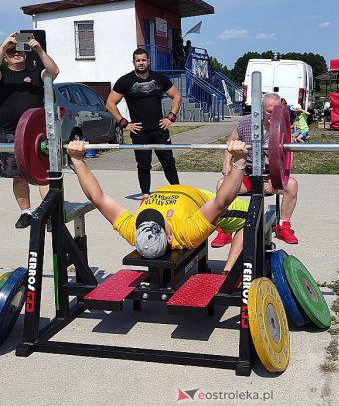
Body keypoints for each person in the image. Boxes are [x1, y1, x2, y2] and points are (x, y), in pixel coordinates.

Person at [67, 139, 249, 272]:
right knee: (251, 218)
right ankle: (229, 272)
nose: (151, 214)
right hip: (201, 199)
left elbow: (98, 198)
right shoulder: (187, 233)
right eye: (158, 223)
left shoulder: (135, 230)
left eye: (144, 221)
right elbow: (222, 201)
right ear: (170, 238)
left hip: (180, 193)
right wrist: (239, 161)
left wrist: (77, 160)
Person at [211, 93, 299, 247]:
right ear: (260, 109)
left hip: (272, 175)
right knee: (221, 185)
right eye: (269, 111)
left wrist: (274, 180)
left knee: (292, 185)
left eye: (277, 111)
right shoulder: (246, 122)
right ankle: (225, 230)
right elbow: (231, 142)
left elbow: (286, 159)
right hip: (248, 173)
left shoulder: (283, 126)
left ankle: (283, 226)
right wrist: (226, 165)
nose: (273, 115)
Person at [0, 32, 59, 229]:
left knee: (42, 175)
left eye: (18, 50)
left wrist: (39, 50)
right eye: (11, 51)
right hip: (10, 134)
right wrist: (2, 46)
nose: (15, 53)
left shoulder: (36, 72)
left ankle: (48, 213)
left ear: (25, 53)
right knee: (18, 176)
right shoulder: (3, 74)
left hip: (35, 134)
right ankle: (26, 213)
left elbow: (54, 72)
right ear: (6, 57)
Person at [106, 48, 182, 200]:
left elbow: (177, 96)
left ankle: (178, 192)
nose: (141, 63)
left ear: (148, 61)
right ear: (133, 62)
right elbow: (110, 103)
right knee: (143, 164)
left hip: (159, 129)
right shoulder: (125, 81)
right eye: (138, 60)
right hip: (139, 131)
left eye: (143, 60)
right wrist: (124, 124)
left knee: (168, 162)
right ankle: (145, 195)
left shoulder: (159, 78)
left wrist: (170, 117)